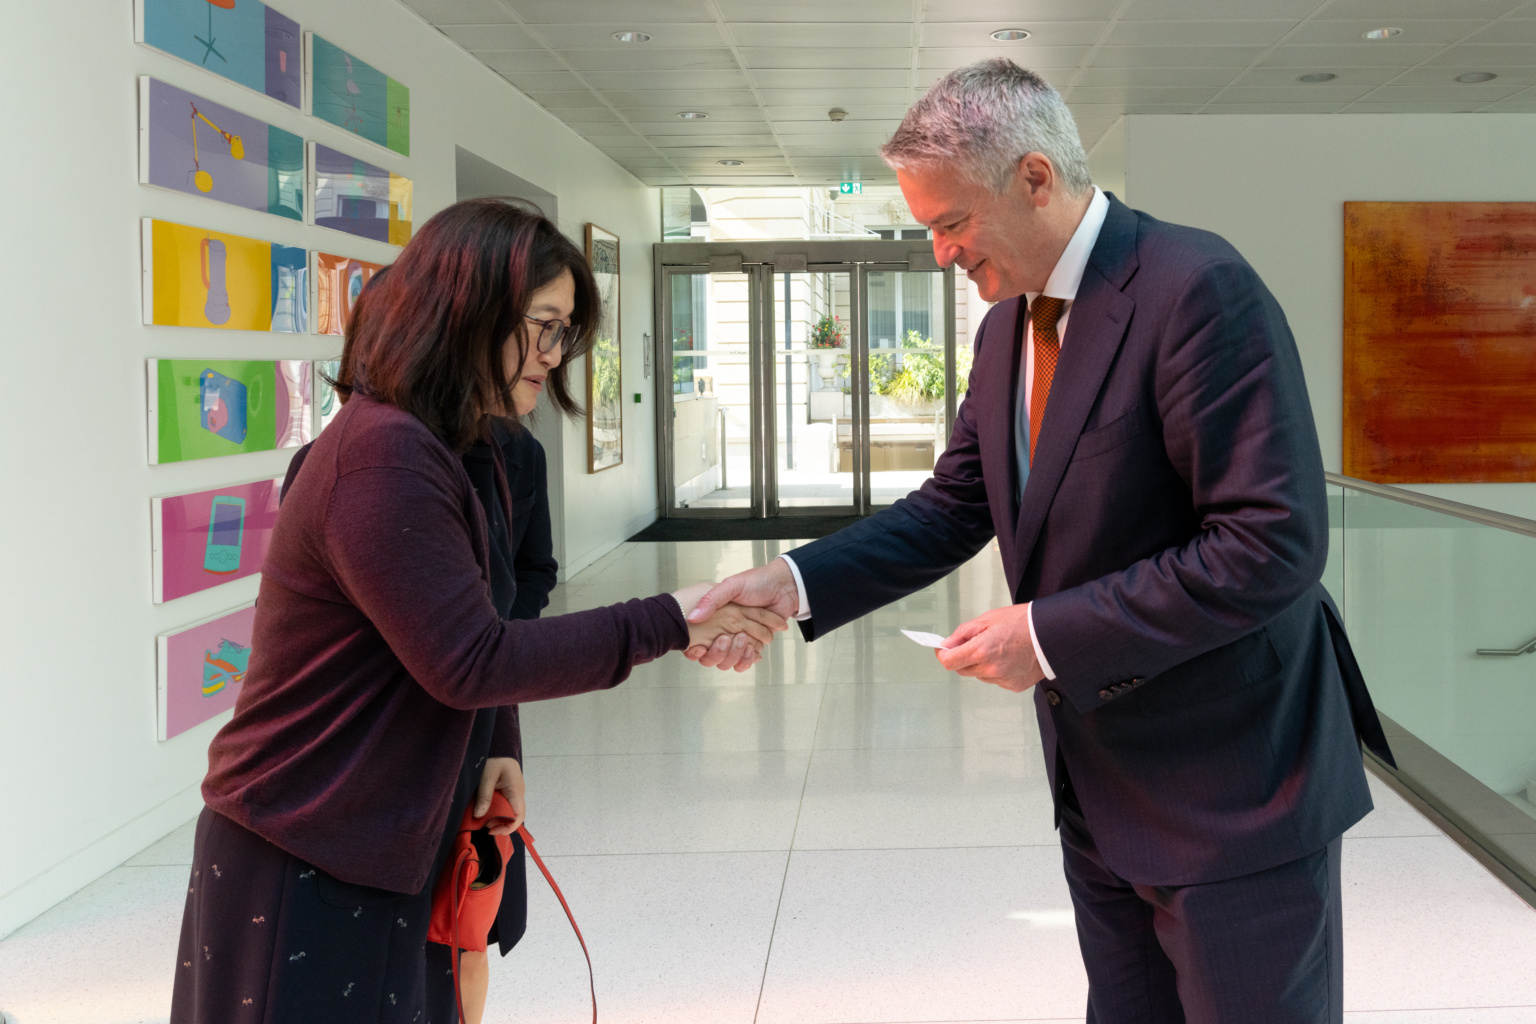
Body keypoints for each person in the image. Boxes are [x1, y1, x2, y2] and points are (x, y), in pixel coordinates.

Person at [687, 60, 1394, 1024]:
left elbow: (1269, 544)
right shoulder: (1005, 331)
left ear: (1033, 177)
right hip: (1100, 788)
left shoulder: (1197, 288)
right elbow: (955, 505)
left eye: (950, 223)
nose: (939, 254)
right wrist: (794, 580)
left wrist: (1049, 635)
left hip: (1237, 792)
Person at [170, 199, 784, 1024]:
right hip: (304, 842)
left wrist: (499, 742)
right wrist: (672, 619)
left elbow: (484, 628)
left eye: (565, 331)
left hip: (391, 831)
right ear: (464, 312)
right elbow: (471, 658)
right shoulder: (380, 455)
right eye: (544, 325)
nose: (554, 354)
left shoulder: (467, 449)